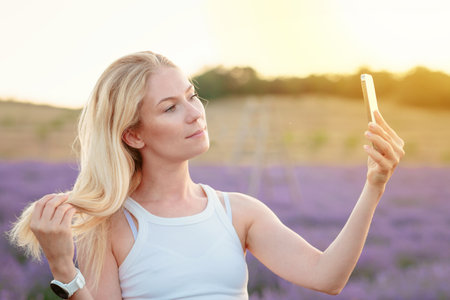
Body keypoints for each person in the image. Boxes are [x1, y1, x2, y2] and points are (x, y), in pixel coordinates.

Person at [9, 51, 405, 299]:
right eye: (170, 108)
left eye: (191, 96)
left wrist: (374, 185)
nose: (195, 112)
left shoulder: (239, 212)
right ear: (133, 134)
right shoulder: (114, 226)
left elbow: (328, 277)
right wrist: (64, 270)